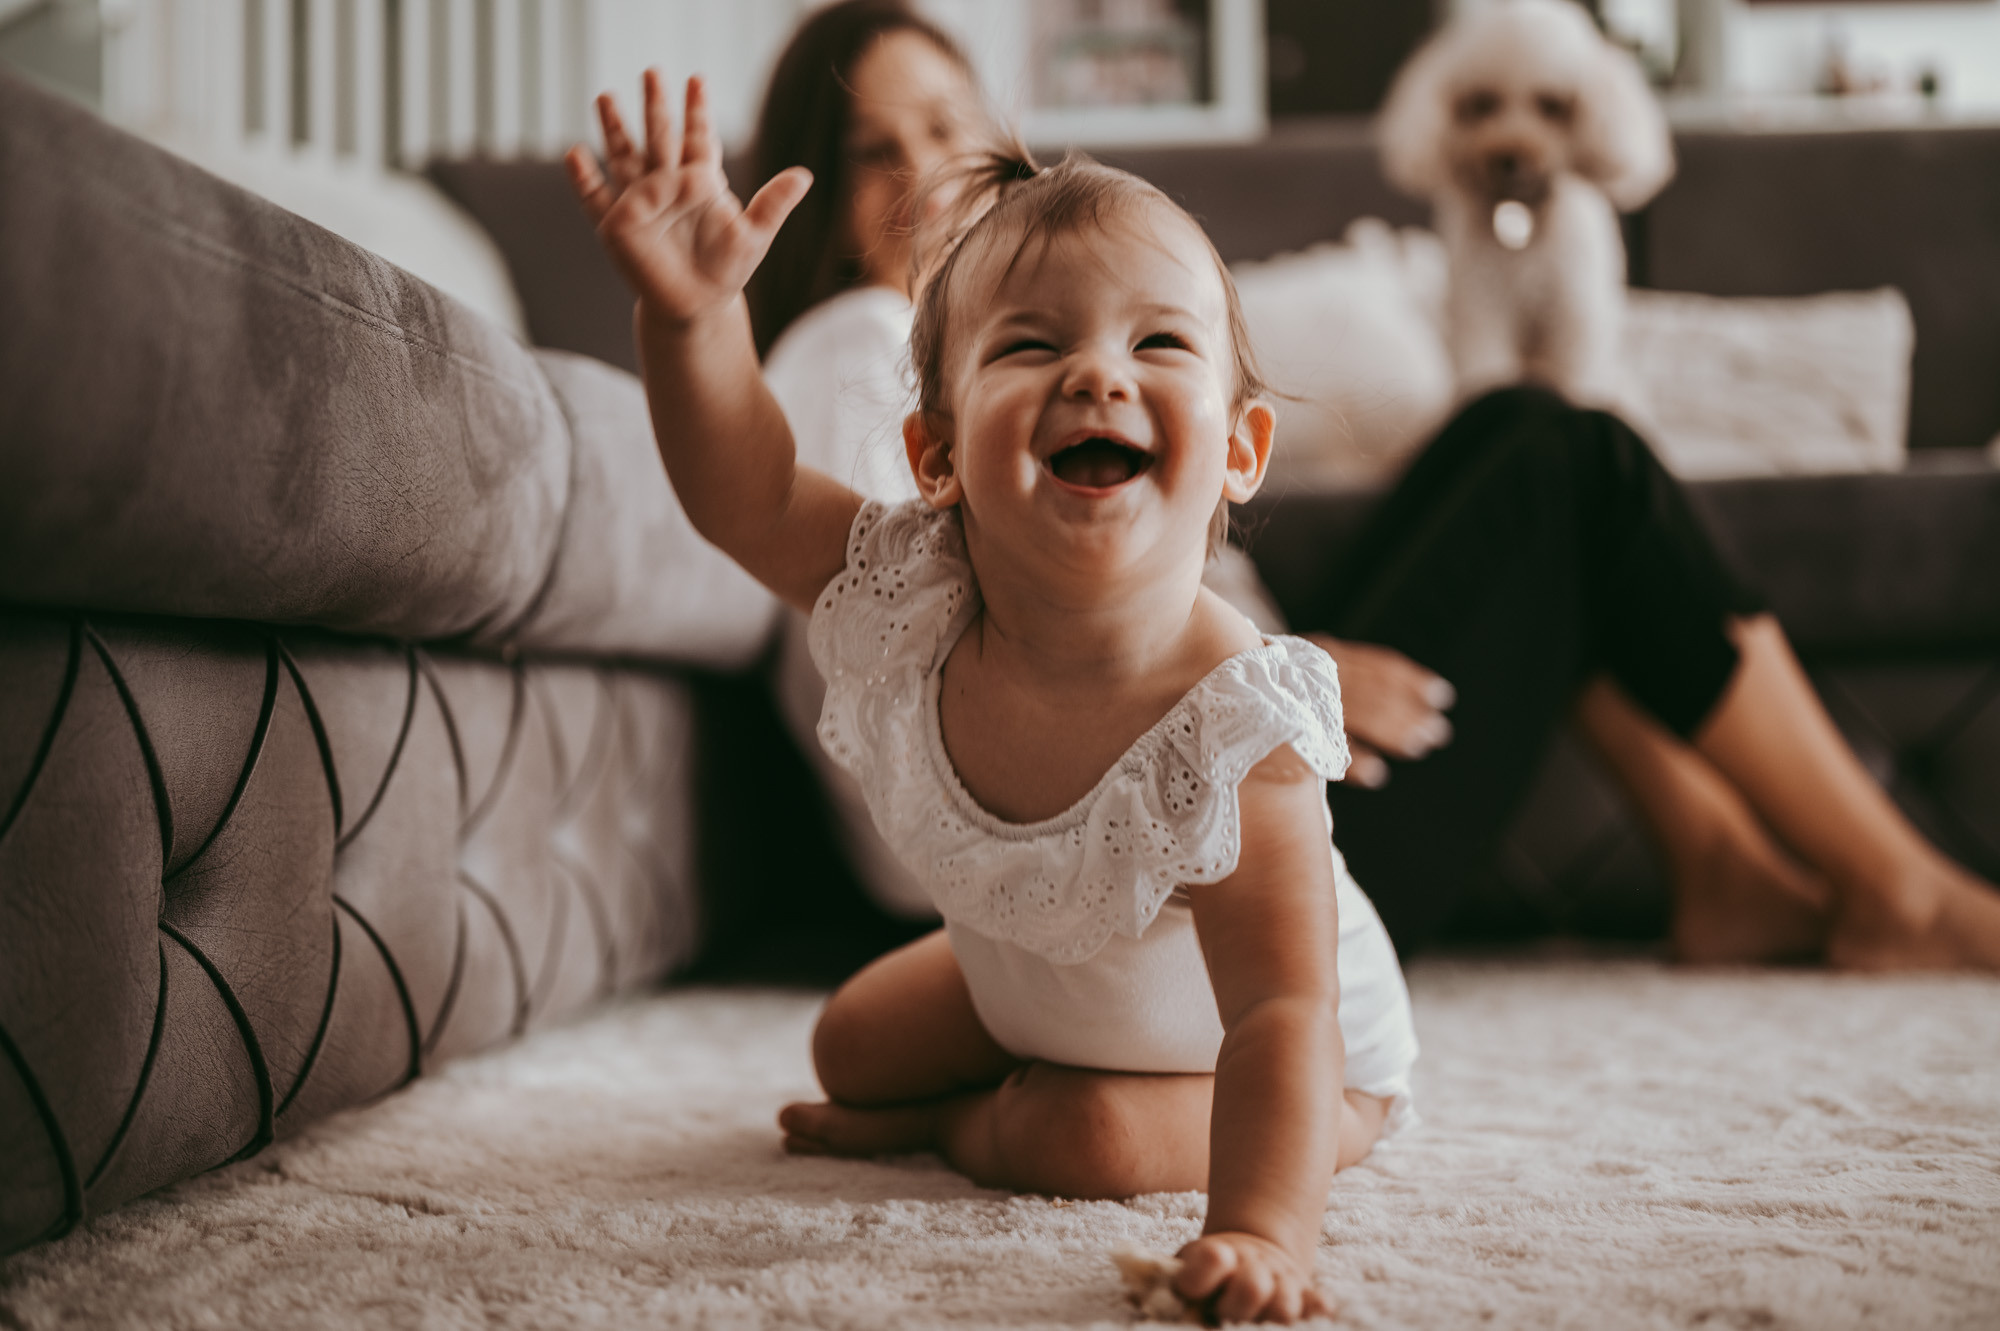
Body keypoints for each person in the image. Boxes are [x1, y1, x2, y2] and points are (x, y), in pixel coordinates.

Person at [728, 0, 2000, 974]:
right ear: (807, 198)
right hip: (1181, 838)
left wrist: (1265, 657)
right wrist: (1254, 676)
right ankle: (1891, 886)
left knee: (1518, 438)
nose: (925, 169)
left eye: (946, 124)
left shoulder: (998, 351)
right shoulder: (855, 342)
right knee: (1561, 460)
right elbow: (943, 625)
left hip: (1207, 748)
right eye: (873, 149)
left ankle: (1717, 857)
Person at [567, 73, 1415, 1323]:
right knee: (849, 1045)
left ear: (1239, 450)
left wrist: (1258, 1231)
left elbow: (1282, 1013)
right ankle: (953, 1088)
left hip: (1285, 1058)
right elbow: (749, 495)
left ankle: (960, 1123)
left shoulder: (1234, 726)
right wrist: (692, 319)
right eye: (1029, 345)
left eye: (1157, 343)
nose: (1097, 374)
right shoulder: (914, 590)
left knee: (1082, 1137)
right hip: (1031, 971)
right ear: (936, 453)